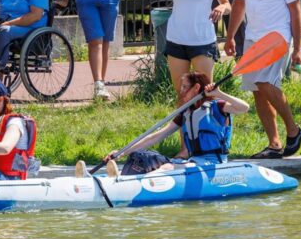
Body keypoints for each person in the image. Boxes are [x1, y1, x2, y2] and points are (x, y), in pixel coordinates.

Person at [134, 0, 231, 159]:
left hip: (202, 41)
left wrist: (220, 8)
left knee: (205, 94)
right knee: (183, 95)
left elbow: (227, 3)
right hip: (177, 40)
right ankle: (187, 145)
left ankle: (210, 140)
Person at [224, 0, 301, 159]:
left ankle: (293, 129)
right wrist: (230, 37)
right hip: (253, 36)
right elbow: (238, 4)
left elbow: (295, 12)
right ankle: (274, 144)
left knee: (264, 82)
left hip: (277, 37)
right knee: (258, 91)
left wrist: (298, 49)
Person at [98, 72, 249, 176]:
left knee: (168, 167)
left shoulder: (217, 107)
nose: (181, 91)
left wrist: (219, 93)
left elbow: (244, 108)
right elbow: (156, 136)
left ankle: (134, 183)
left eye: (184, 87)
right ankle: (126, 179)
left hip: (214, 165)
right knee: (144, 159)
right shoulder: (186, 113)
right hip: (193, 162)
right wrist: (122, 152)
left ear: (196, 88)